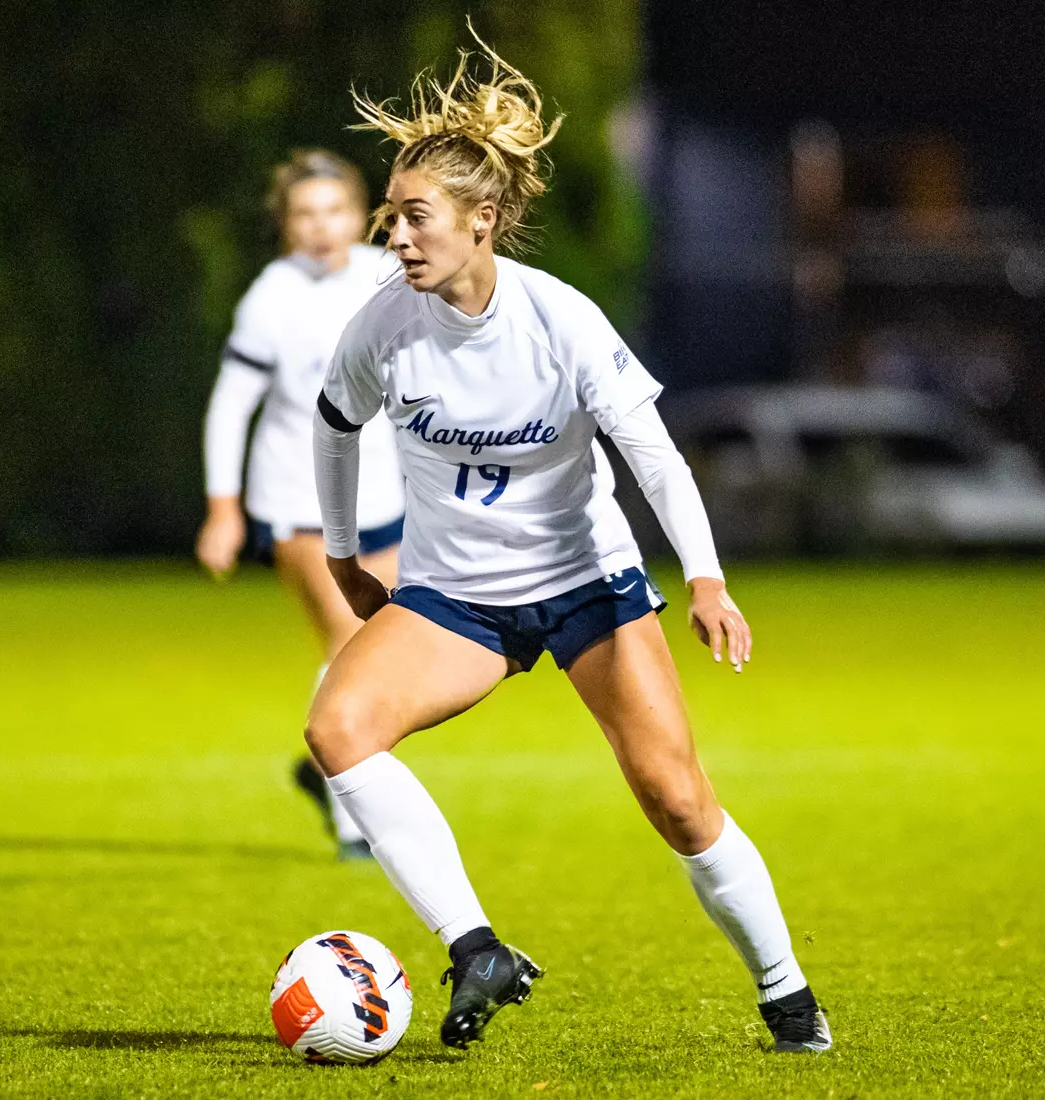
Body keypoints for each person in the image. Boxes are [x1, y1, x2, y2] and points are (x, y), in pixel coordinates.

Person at [307, 33, 832, 1053]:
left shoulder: (561, 322)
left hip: (587, 585)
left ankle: (787, 995)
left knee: (678, 800)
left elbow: (656, 458)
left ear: (481, 220)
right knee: (337, 728)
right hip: (456, 597)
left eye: (415, 217)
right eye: (391, 216)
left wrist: (707, 578)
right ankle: (475, 948)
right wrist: (339, 550)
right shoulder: (383, 326)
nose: (397, 237)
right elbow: (333, 423)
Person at [196, 149, 405, 860]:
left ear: (361, 213)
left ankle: (322, 768)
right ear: (285, 225)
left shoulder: (390, 275)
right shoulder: (272, 297)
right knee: (350, 645)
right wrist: (224, 509)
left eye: (336, 210)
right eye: (305, 214)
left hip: (387, 498)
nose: (322, 227)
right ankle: (355, 825)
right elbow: (231, 405)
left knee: (387, 652)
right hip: (298, 499)